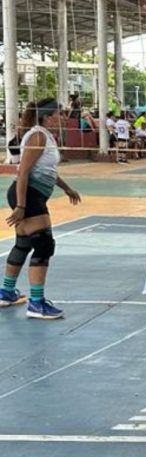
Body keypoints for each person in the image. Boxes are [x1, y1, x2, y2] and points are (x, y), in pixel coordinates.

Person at [2, 99, 81, 318]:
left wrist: (67, 188)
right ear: (47, 116)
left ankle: (7, 292)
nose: (64, 118)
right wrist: (20, 205)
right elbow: (23, 172)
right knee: (44, 245)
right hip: (28, 194)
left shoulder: (46, 136)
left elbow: (47, 171)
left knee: (24, 243)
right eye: (60, 114)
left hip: (33, 194)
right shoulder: (37, 136)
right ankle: (36, 303)